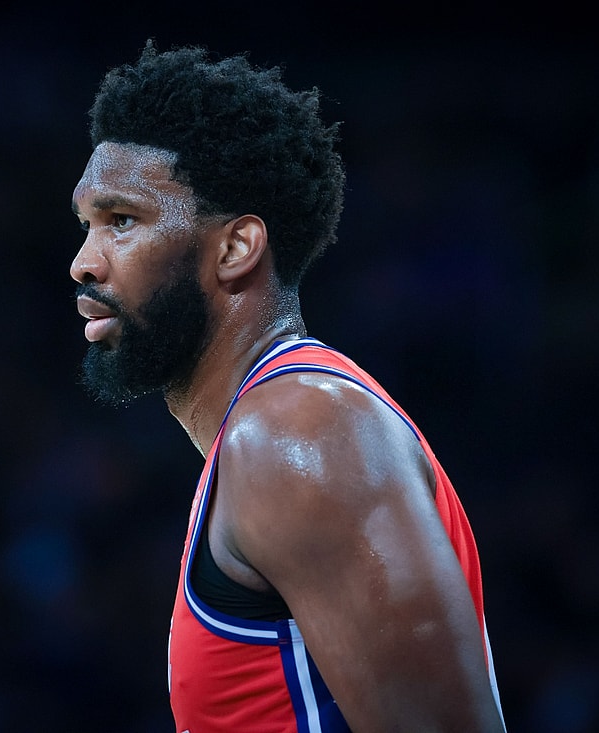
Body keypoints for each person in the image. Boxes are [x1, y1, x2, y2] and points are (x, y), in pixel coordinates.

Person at [69, 40, 507, 732]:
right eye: (87, 225)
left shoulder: (297, 433)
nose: (84, 263)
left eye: (122, 221)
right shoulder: (266, 437)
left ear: (237, 247)